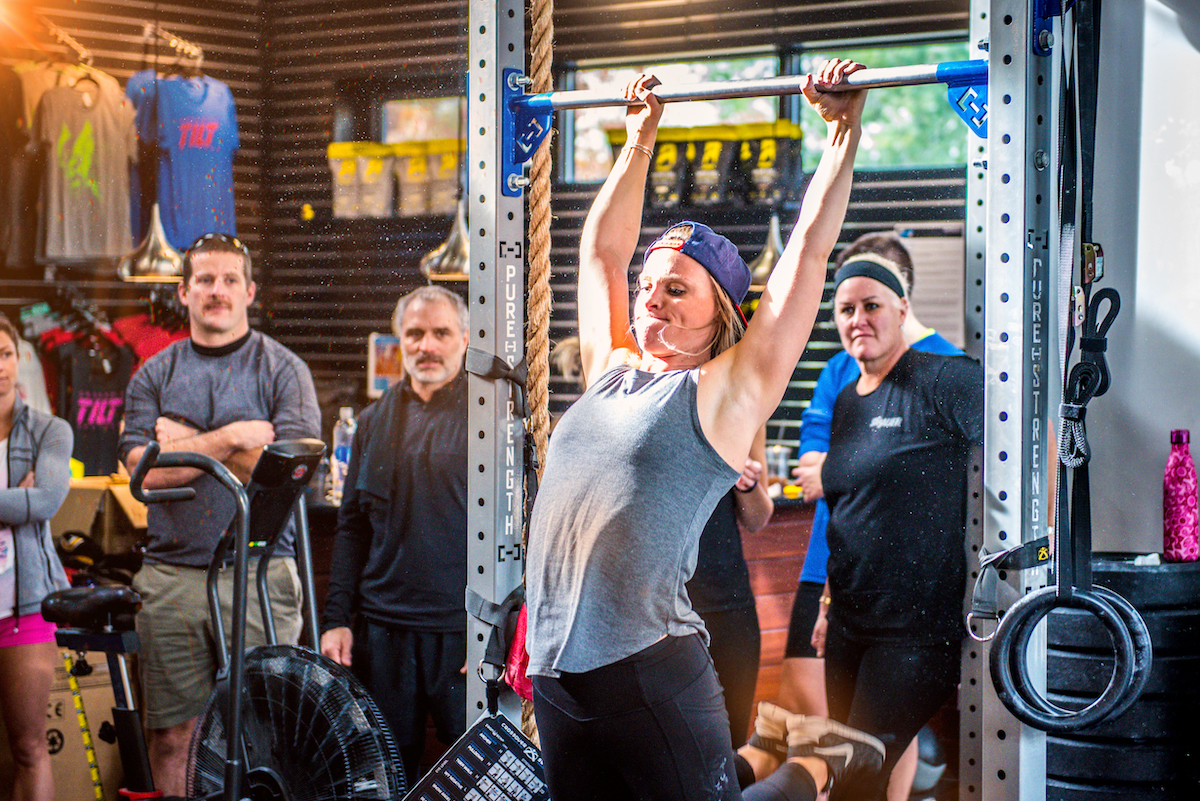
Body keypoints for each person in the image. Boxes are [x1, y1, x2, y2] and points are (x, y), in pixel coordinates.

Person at [525, 62, 885, 801]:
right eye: (649, 284)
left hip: (649, 672)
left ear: (717, 311)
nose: (651, 296)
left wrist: (844, 130)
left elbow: (806, 259)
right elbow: (600, 253)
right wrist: (640, 140)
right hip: (556, 676)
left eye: (676, 287)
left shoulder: (722, 395)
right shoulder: (610, 369)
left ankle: (817, 762)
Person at [118, 233, 321, 796]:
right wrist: (235, 437)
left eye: (230, 279)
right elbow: (148, 476)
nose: (217, 291)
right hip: (170, 581)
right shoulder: (152, 375)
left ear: (250, 291)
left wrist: (186, 442)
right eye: (205, 280)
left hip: (260, 579)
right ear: (183, 292)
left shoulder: (285, 371)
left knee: (265, 738)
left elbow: (292, 473)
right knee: (172, 738)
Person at [778, 233, 962, 800]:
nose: (858, 318)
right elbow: (831, 493)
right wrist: (829, 600)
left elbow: (1031, 440)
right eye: (846, 308)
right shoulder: (849, 385)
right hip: (843, 600)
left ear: (901, 303)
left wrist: (1035, 552)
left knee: (857, 762)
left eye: (872, 303)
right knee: (850, 758)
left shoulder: (944, 375)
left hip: (912, 617)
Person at [552, 334, 774, 748]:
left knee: (726, 749)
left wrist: (748, 484)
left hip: (728, 608)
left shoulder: (737, 405)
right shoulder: (623, 400)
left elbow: (758, 519)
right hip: (650, 615)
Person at [320, 285, 469, 781]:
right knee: (385, 775)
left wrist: (507, 629)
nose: (427, 345)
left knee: (478, 775)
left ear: (465, 339)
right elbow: (352, 527)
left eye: (441, 333)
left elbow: (528, 530)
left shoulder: (493, 418)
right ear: (399, 342)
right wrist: (336, 618)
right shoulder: (372, 422)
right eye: (415, 334)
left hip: (463, 634)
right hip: (383, 632)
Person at [0, 313, 73, 801]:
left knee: (27, 748)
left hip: (23, 606)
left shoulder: (51, 430)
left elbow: (46, 501)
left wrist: (31, 500)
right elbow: (27, 503)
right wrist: (13, 501)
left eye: (4, 354)